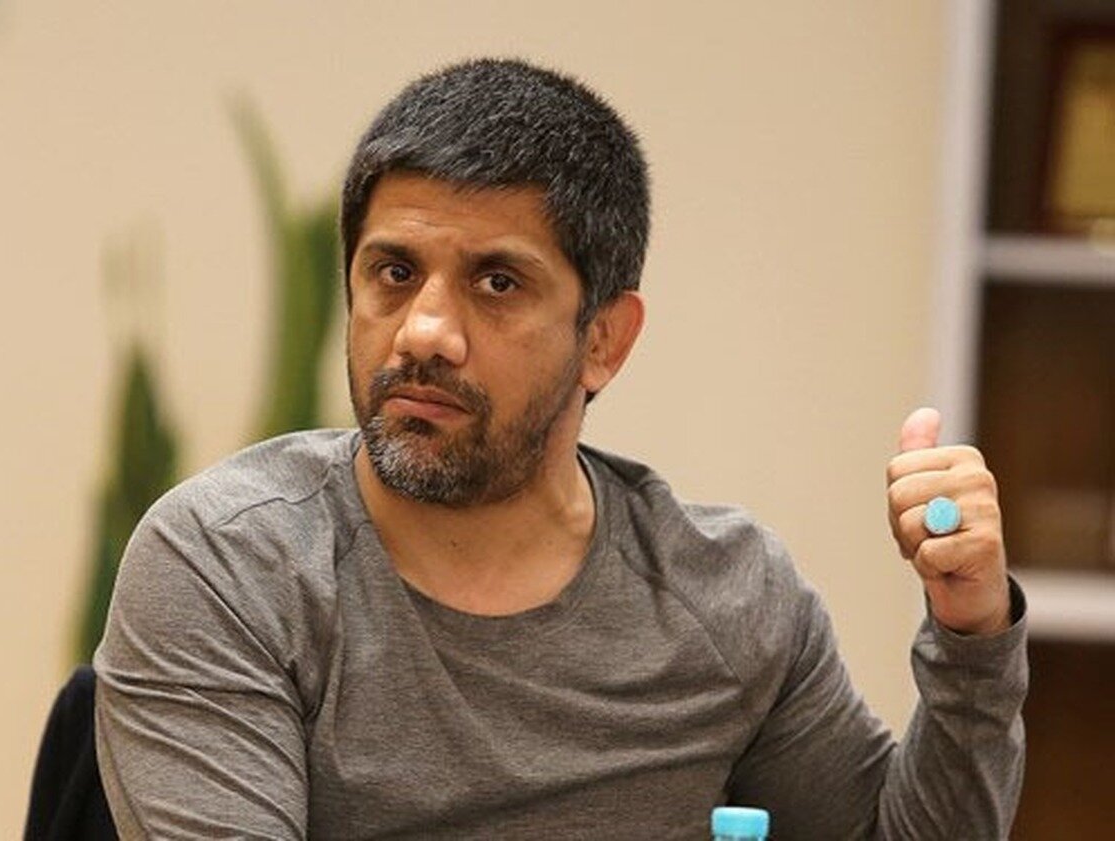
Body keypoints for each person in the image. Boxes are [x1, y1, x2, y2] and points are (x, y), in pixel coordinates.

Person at [94, 58, 1027, 839]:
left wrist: (972, 631)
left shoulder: (725, 595)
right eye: (394, 271)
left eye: (496, 282)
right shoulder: (230, 562)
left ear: (604, 340)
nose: (424, 331)